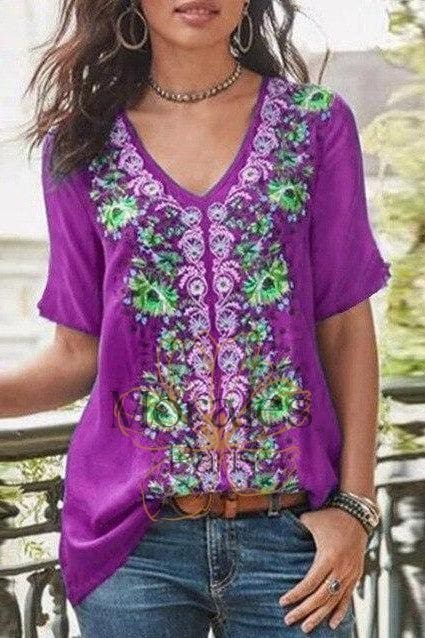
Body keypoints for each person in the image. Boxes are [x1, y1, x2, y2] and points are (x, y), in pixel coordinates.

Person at [1, 0, 391, 636]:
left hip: (294, 543)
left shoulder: (314, 125)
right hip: (134, 551)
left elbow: (345, 327)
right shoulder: (82, 145)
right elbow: (76, 355)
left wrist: (355, 507)